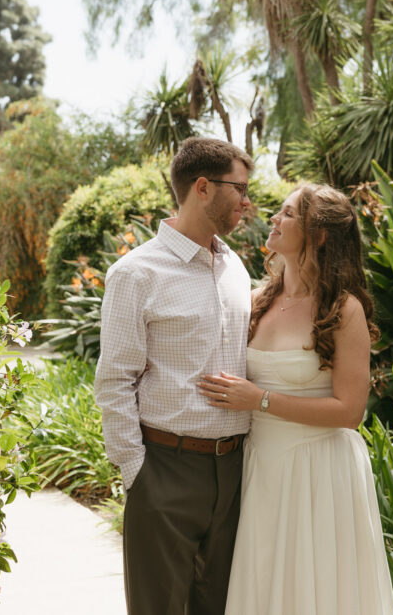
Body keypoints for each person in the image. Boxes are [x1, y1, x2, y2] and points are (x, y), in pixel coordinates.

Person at [197, 184, 393, 615]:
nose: (274, 218)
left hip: (319, 471)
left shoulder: (344, 310)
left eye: (287, 214)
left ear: (319, 235)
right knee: (265, 582)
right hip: (260, 467)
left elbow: (350, 412)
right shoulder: (255, 301)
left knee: (319, 591)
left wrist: (260, 400)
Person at [94, 137, 255, 615]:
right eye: (239, 189)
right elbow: (114, 381)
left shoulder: (236, 268)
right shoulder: (136, 273)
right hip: (164, 469)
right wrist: (137, 474)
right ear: (202, 187)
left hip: (235, 472)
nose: (247, 202)